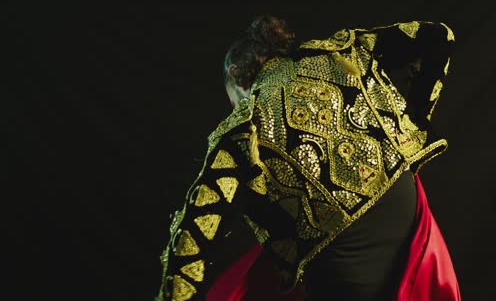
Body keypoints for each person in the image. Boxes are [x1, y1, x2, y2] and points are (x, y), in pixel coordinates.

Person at [155, 15, 461, 301]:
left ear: (235, 76)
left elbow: (190, 240)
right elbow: (439, 36)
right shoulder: (338, 54)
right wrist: (406, 128)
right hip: (407, 217)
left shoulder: (244, 126)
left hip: (349, 265)